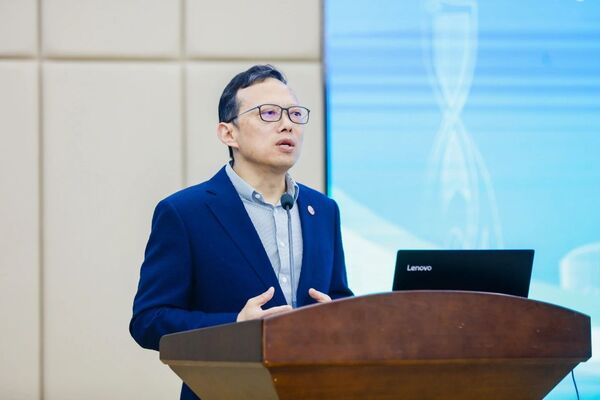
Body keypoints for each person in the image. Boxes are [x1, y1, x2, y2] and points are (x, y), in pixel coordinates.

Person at [129, 64, 353, 400]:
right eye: (269, 113)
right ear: (228, 133)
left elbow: (339, 297)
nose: (287, 124)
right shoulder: (185, 213)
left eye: (294, 114)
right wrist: (234, 325)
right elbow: (149, 320)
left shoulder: (323, 210)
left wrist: (337, 317)